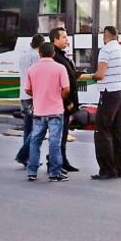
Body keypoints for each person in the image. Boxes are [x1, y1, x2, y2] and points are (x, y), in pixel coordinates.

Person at [81, 26, 121, 179]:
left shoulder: (106, 50)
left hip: (109, 92)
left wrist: (90, 76)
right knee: (118, 132)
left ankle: (107, 169)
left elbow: (100, 74)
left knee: (102, 131)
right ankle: (120, 169)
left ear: (106, 36)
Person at [25, 42, 71, 182]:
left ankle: (32, 171)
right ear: (53, 54)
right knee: (54, 142)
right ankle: (54, 173)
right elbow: (66, 88)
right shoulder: (60, 68)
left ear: (39, 53)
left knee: (35, 142)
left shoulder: (32, 69)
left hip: (39, 111)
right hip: (56, 111)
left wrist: (38, 95)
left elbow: (27, 89)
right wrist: (58, 97)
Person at [49, 27, 80, 173]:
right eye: (64, 37)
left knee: (63, 133)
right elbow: (57, 83)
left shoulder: (62, 55)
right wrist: (67, 102)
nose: (66, 40)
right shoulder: (55, 57)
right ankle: (56, 163)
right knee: (59, 134)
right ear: (55, 39)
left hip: (66, 102)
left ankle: (62, 160)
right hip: (62, 103)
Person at [15, 34, 45, 167]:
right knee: (37, 128)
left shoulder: (24, 55)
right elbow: (37, 77)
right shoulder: (36, 57)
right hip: (33, 95)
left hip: (23, 94)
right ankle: (23, 155)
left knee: (28, 127)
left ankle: (28, 158)